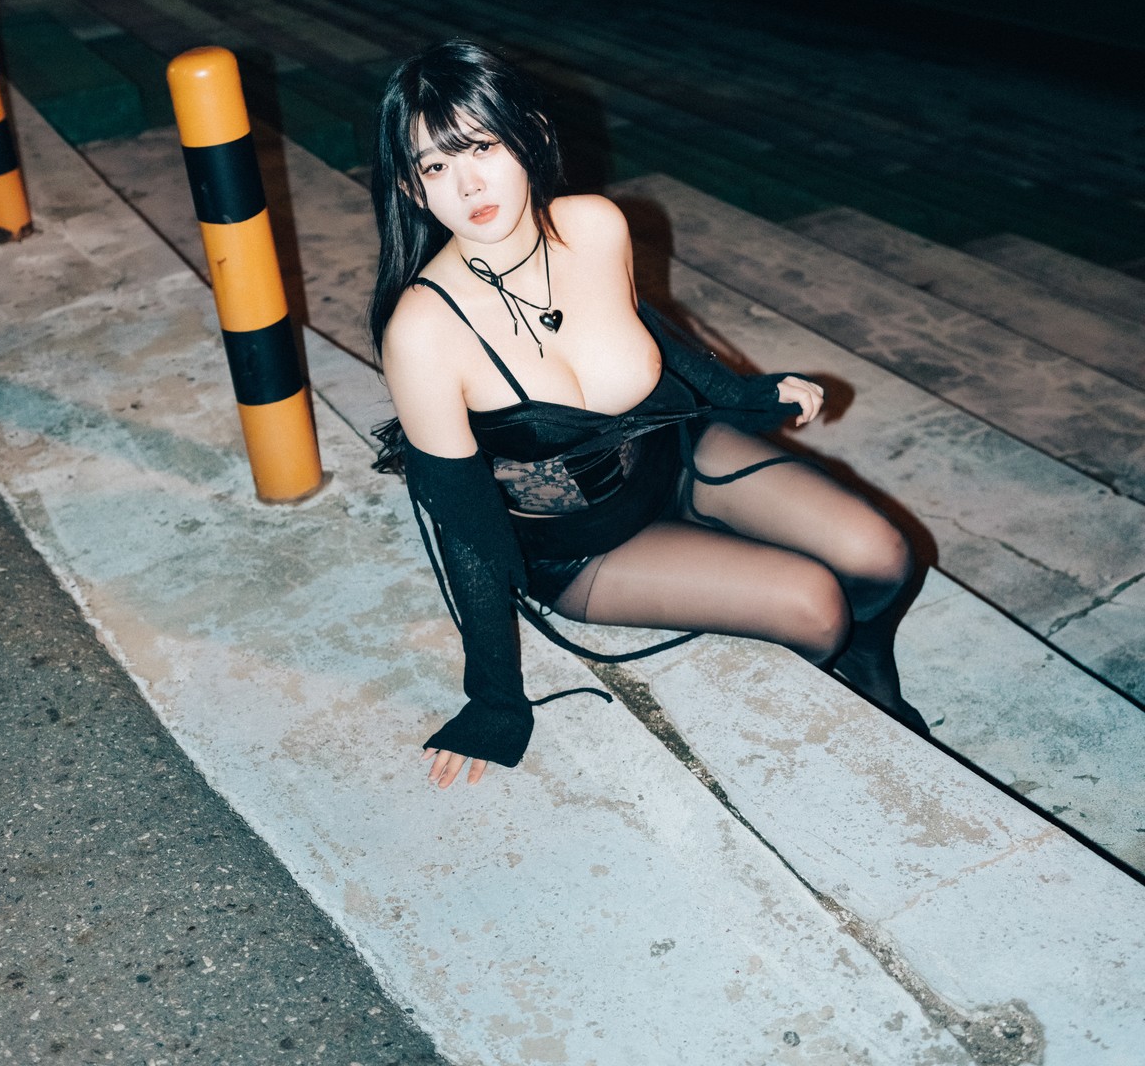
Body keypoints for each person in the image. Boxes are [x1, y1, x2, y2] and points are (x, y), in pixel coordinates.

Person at [371, 40, 928, 792]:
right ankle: (848, 686)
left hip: (673, 453)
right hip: (582, 546)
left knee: (882, 554)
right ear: (412, 189)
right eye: (436, 166)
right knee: (816, 605)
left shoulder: (594, 225)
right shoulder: (423, 332)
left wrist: (744, 394)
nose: (468, 184)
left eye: (482, 146)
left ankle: (869, 671)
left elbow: (651, 333)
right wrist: (495, 699)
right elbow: (466, 527)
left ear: (530, 135)